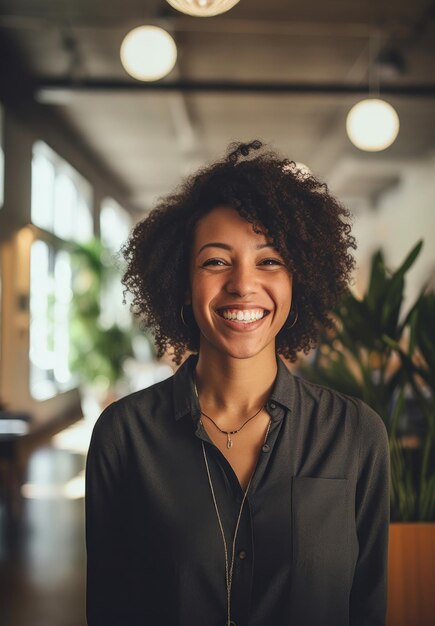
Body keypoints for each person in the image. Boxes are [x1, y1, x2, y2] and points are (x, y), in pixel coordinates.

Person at [85, 140, 390, 626]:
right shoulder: (124, 436)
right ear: (183, 283)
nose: (243, 284)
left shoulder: (356, 434)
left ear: (298, 280)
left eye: (269, 260)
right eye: (215, 261)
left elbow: (368, 607)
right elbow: (109, 610)